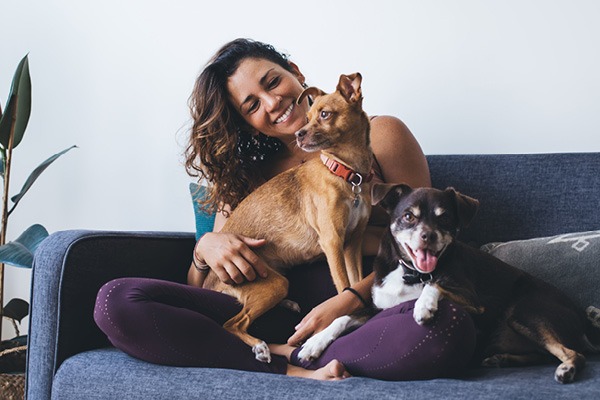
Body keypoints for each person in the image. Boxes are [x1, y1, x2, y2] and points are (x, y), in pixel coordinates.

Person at [94, 38, 476, 381]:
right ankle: (288, 363)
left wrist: (347, 302)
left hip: (354, 318)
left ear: (295, 74)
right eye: (252, 105)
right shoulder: (246, 180)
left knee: (446, 327)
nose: (272, 102)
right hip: (263, 311)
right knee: (115, 303)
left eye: (272, 82)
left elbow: (427, 246)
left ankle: (285, 355)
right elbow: (202, 291)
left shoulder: (381, 135)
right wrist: (204, 249)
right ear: (248, 125)